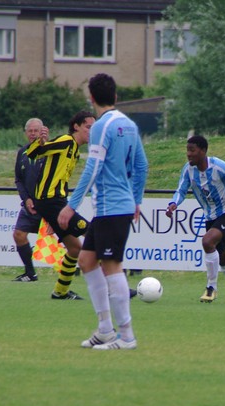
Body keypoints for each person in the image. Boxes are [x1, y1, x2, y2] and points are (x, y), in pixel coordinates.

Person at [61, 73, 148, 350]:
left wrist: (71, 205)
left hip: (112, 207)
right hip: (113, 208)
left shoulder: (100, 126)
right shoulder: (129, 125)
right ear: (116, 96)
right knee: (87, 260)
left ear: (91, 97)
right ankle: (105, 330)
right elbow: (142, 166)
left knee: (112, 266)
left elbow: (93, 167)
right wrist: (136, 200)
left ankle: (127, 336)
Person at [166, 135, 225, 304]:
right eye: (187, 150)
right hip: (210, 216)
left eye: (192, 150)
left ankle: (211, 288)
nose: (188, 154)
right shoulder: (188, 170)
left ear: (203, 151)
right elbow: (181, 190)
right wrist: (173, 203)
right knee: (223, 257)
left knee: (207, 241)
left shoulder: (218, 166)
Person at [25, 110, 96, 300]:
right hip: (50, 202)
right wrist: (41, 142)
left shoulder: (75, 150)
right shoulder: (66, 141)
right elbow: (33, 153)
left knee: (75, 249)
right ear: (76, 126)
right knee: (94, 233)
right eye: (88, 127)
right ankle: (113, 287)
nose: (92, 131)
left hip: (55, 204)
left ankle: (60, 292)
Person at [11, 118, 47, 283]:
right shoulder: (22, 152)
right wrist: (26, 199)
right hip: (29, 205)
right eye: (30, 131)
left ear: (42, 131)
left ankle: (80, 269)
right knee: (19, 235)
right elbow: (18, 179)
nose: (33, 134)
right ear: (26, 133)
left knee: (67, 239)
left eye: (36, 130)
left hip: (48, 205)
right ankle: (30, 273)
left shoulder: (49, 150)